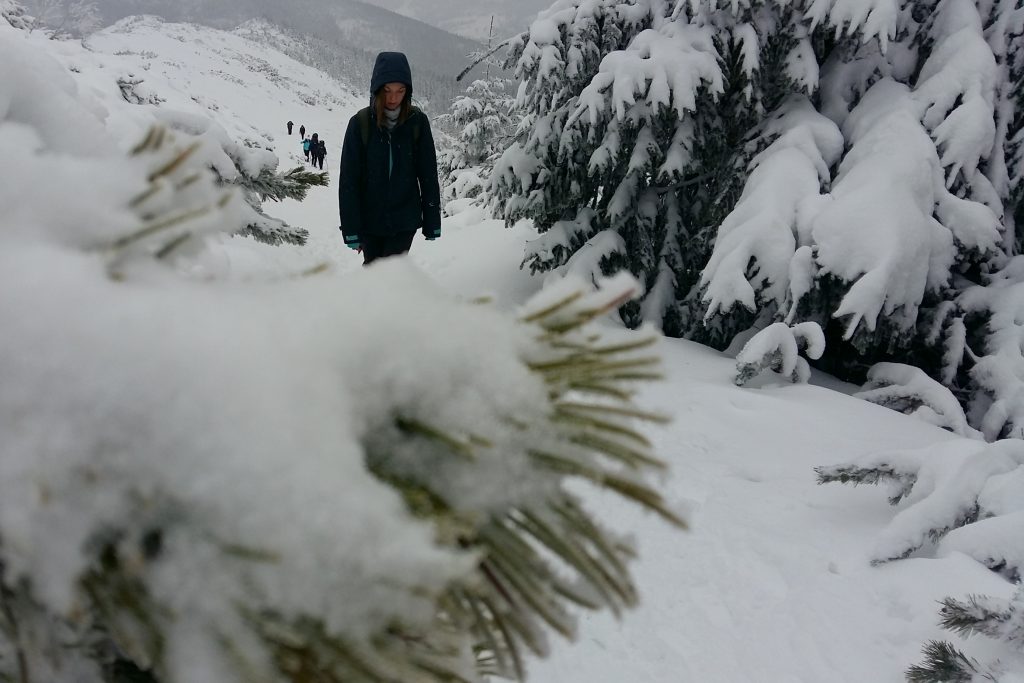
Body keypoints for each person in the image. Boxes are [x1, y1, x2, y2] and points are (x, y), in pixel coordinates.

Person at [339, 51, 441, 265]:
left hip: (404, 222)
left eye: (400, 91)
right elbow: (349, 180)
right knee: (373, 275)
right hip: (369, 222)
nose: (393, 98)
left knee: (390, 275)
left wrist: (432, 222)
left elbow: (428, 174)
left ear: (408, 91)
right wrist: (351, 229)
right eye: (387, 90)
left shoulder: (417, 123)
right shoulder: (360, 123)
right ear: (377, 89)